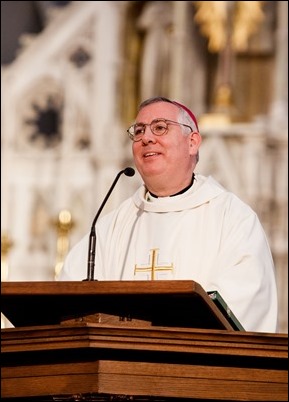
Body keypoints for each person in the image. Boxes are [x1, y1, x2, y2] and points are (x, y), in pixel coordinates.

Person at [59, 96, 278, 333]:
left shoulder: (233, 219)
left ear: (192, 142)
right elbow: (68, 303)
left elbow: (242, 306)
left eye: (160, 128)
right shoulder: (110, 227)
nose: (146, 138)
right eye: (139, 130)